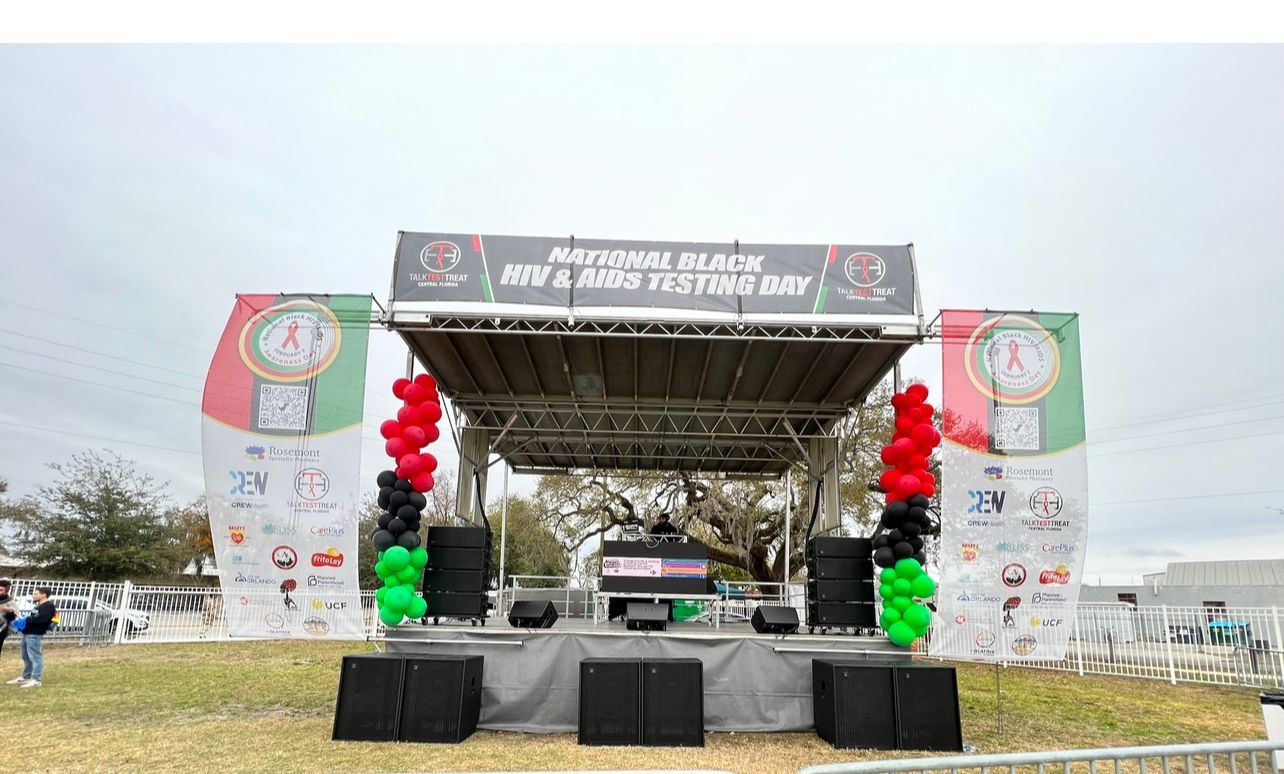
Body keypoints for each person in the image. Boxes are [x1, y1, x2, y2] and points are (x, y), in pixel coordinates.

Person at [8, 586, 55, 688]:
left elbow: (42, 619)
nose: (34, 596)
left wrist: (27, 619)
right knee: (25, 655)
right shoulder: (38, 605)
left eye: (36, 594)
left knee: (35, 656)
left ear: (44, 595)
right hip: (28, 633)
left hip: (35, 634)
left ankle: (36, 679)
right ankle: (26, 676)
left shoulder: (48, 606)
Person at [0, 580, 15, 658]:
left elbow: (14, 617)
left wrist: (8, 610)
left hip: (2, 629)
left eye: (1, 590)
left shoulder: (10, 602)